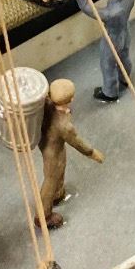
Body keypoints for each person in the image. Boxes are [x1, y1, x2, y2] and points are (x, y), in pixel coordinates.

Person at [73, 0, 135, 102]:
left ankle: (110, 92)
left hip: (112, 39)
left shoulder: (110, 13)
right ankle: (125, 78)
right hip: (125, 31)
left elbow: (89, 9)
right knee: (124, 56)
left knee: (107, 64)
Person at [37, 79, 105, 228]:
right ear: (71, 99)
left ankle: (57, 194)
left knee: (59, 171)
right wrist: (92, 153)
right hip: (53, 151)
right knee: (50, 180)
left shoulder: (47, 104)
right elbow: (77, 141)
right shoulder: (64, 126)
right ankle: (43, 216)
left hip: (49, 143)